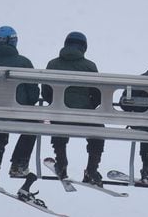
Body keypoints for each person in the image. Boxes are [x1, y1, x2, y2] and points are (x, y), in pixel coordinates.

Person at [0, 25, 39, 187]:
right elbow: (32, 93)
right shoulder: (23, 63)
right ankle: (19, 164)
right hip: (18, 112)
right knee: (34, 124)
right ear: (14, 41)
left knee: (1, 127)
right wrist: (29, 102)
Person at [44, 31, 105, 186]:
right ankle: (92, 169)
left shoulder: (53, 64)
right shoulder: (90, 66)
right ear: (84, 47)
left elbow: (45, 92)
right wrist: (89, 106)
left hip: (60, 114)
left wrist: (57, 103)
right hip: (85, 114)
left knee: (58, 121)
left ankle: (61, 162)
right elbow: (98, 93)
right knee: (98, 132)